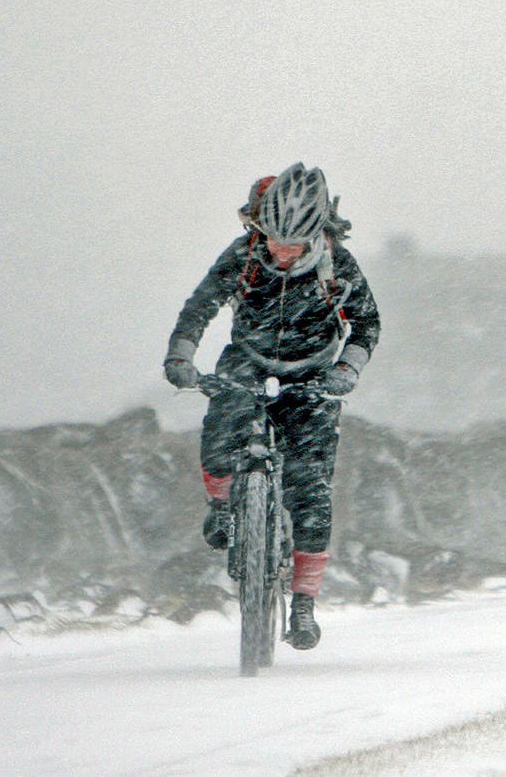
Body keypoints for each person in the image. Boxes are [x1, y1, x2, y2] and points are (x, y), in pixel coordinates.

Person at [163, 162, 380, 650]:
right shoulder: (243, 256)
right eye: (274, 239)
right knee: (222, 424)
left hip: (314, 373)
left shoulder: (336, 265)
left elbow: (366, 325)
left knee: (310, 490)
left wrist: (345, 371)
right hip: (248, 359)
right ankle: (221, 506)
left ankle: (302, 604)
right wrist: (181, 355)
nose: (281, 252)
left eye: (293, 244)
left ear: (314, 237)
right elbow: (200, 306)